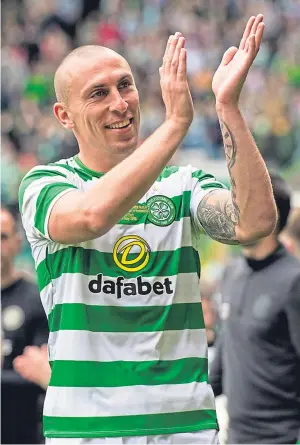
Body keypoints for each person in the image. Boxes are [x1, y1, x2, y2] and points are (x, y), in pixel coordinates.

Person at [19, 15, 277, 444]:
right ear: (64, 116)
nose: (120, 103)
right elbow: (90, 217)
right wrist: (175, 126)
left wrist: (227, 108)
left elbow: (254, 223)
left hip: (183, 428)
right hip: (87, 431)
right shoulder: (46, 185)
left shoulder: (182, 185)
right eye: (98, 94)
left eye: (126, 85)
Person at [210, 172, 300, 444]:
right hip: (236, 437)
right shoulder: (232, 273)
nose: (231, 213)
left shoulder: (294, 280)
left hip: (282, 437)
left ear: (267, 213)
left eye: (240, 204)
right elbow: (224, 358)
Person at [1, 207, 49, 444]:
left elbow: (41, 376)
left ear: (17, 242)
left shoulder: (37, 299)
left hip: (23, 432)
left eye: (2, 237)